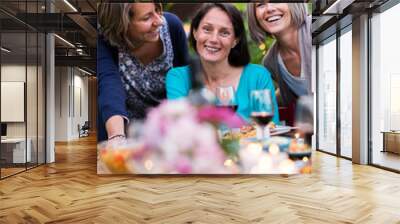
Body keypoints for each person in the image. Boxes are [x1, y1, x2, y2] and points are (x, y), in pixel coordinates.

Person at [166, 3, 279, 124]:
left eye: (224, 33)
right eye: (207, 29)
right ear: (195, 32)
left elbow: (271, 128)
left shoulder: (257, 76)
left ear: (235, 40)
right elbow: (179, 126)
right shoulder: (178, 77)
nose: (214, 39)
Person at [97, 3, 189, 142]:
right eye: (147, 18)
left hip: (167, 135)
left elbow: (186, 81)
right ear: (123, 25)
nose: (159, 21)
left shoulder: (172, 26)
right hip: (126, 133)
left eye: (157, 10)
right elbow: (109, 85)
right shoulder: (105, 39)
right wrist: (117, 139)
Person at [247, 3, 311, 125]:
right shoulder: (271, 61)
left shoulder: (314, 28)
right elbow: (294, 90)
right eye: (260, 4)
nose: (269, 8)